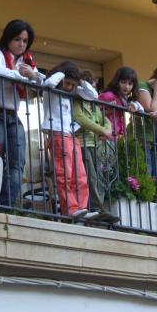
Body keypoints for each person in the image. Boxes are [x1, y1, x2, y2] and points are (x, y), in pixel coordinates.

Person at [0, 19, 44, 208]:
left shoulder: (26, 62)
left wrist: (32, 75)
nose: (21, 44)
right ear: (8, 38)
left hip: (13, 115)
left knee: (18, 163)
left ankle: (6, 205)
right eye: (17, 39)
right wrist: (25, 75)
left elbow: (43, 83)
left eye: (25, 41)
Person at [42, 61, 97, 219]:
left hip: (70, 135)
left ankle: (81, 208)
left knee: (80, 174)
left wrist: (80, 81)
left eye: (72, 85)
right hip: (57, 134)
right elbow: (49, 83)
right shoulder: (51, 87)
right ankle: (70, 209)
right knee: (64, 173)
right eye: (68, 83)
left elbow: (93, 95)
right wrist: (62, 75)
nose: (69, 87)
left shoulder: (71, 90)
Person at [73, 71, 120, 224]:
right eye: (91, 87)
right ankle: (93, 209)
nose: (94, 92)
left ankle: (98, 209)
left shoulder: (94, 106)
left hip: (95, 144)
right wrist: (102, 130)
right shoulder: (76, 101)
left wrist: (107, 130)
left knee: (98, 178)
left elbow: (106, 120)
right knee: (90, 177)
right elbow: (80, 119)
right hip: (82, 143)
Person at [97, 66, 142, 139]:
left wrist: (135, 106)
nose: (127, 87)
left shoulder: (124, 99)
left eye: (130, 84)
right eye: (123, 82)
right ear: (117, 82)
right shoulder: (108, 95)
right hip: (104, 137)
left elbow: (141, 109)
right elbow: (94, 115)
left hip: (116, 137)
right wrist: (108, 111)